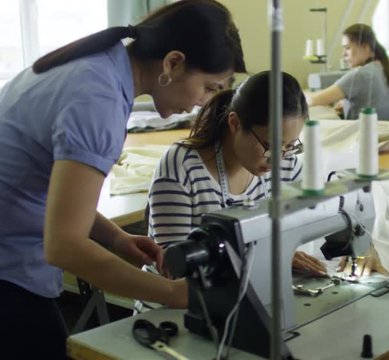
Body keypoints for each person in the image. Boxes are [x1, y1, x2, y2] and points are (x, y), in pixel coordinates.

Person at [0, 1, 245, 358]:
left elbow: (45, 190)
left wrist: (115, 238)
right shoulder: (98, 98)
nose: (200, 104)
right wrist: (173, 294)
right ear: (173, 63)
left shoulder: (97, 66)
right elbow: (64, 245)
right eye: (209, 88)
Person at [135, 71, 327, 312]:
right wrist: (269, 258)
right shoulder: (182, 166)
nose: (279, 158)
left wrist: (361, 243)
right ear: (235, 123)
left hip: (243, 300)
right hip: (172, 312)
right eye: (270, 145)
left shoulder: (285, 165)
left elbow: (319, 215)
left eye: (290, 146)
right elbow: (175, 266)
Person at [308, 23, 389, 121]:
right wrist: (346, 104)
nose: (343, 54)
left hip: (364, 135)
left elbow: (313, 101)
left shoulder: (360, 75)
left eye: (347, 48)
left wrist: (300, 95)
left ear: (365, 47)